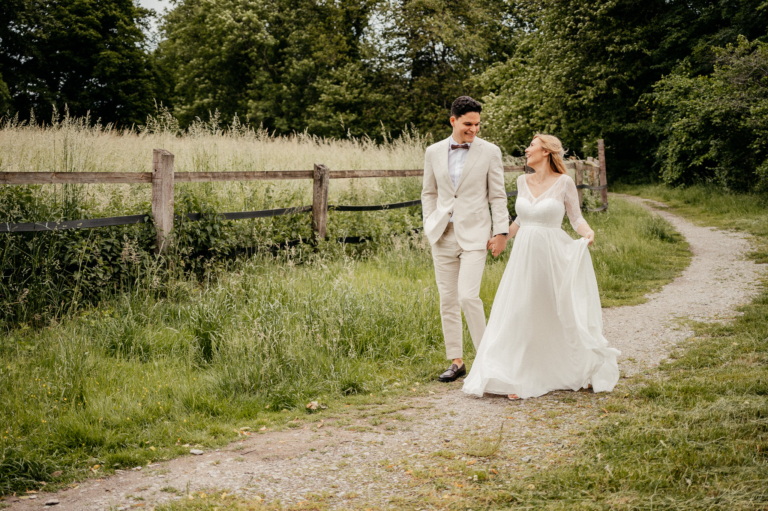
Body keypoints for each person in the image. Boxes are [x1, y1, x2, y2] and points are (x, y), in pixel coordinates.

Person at [462, 134, 620, 399]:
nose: (526, 149)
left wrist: (588, 232)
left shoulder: (564, 183)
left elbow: (576, 218)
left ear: (546, 151)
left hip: (552, 255)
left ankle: (576, 367)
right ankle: (516, 376)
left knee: (556, 310)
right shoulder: (522, 181)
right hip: (523, 257)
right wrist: (501, 237)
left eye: (531, 146)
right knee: (520, 309)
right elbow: (520, 221)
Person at [421, 96, 510, 383]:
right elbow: (429, 192)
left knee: (468, 296)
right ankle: (457, 362)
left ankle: (486, 359)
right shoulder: (433, 151)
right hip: (442, 234)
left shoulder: (490, 152)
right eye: (468, 124)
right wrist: (430, 221)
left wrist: (501, 231)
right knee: (447, 299)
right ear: (453, 121)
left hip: (476, 235)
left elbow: (497, 195)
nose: (473, 130)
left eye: (477, 125)